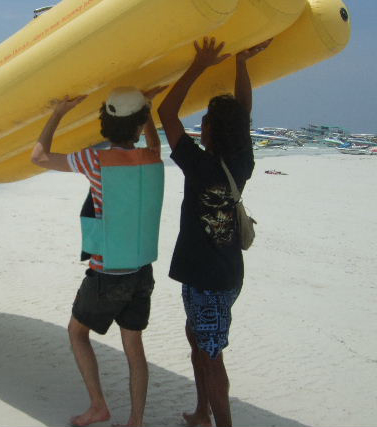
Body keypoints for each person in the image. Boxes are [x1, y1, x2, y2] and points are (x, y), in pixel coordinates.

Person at [31, 85, 166, 427]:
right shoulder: (151, 157)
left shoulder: (95, 160)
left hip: (107, 274)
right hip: (141, 271)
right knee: (134, 347)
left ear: (106, 123)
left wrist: (58, 113)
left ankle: (98, 406)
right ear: (139, 125)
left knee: (77, 333)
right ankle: (136, 421)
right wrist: (148, 110)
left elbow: (39, 156)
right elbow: (153, 143)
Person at [157, 37, 272, 427]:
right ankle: (201, 413)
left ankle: (220, 422)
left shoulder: (200, 166)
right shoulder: (241, 161)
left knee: (210, 354)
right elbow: (242, 113)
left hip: (206, 280)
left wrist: (199, 65)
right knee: (198, 340)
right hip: (224, 274)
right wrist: (241, 63)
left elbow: (166, 112)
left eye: (204, 121)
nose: (200, 125)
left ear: (210, 131)